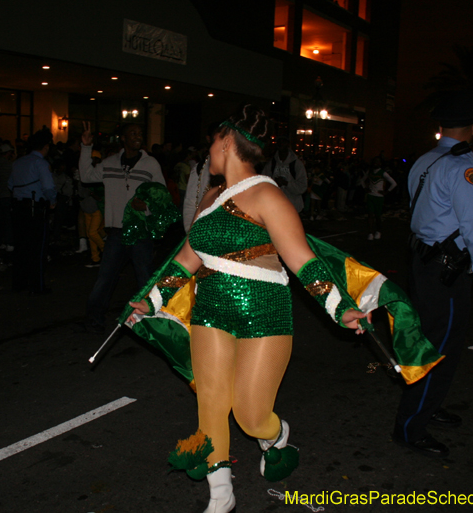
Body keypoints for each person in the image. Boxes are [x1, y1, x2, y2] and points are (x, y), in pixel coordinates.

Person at [128, 105, 368, 513]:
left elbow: (302, 260)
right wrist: (150, 300)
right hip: (211, 310)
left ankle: (275, 434)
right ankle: (221, 496)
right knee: (211, 404)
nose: (208, 154)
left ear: (225, 141)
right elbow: (187, 258)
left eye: (211, 145)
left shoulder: (268, 194)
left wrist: (339, 307)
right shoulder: (209, 196)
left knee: (250, 415)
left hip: (265, 312)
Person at [394, 90, 473, 458]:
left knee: (429, 339)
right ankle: (411, 426)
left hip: (423, 262)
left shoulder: (425, 160)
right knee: (440, 348)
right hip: (446, 271)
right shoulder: (462, 168)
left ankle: (428, 404)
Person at [78, 122, 165, 334]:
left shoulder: (150, 163)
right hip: (116, 232)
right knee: (105, 278)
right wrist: (86, 147)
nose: (138, 136)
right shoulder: (109, 163)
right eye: (133, 133)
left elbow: (162, 195)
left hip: (140, 231)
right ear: (123, 139)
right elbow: (86, 175)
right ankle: (94, 320)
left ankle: (153, 323)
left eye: (140, 132)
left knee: (145, 279)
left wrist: (147, 206)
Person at [8, 130, 56, 294]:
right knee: (38, 249)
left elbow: (10, 184)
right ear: (46, 146)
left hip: (18, 208)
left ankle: (19, 284)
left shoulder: (18, 162)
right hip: (35, 209)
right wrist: (53, 201)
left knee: (21, 248)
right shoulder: (41, 163)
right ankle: (37, 287)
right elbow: (48, 186)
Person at [262, 135, 308, 213]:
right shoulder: (271, 163)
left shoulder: (296, 164)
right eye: (279, 142)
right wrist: (274, 183)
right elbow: (263, 183)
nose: (281, 144)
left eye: (283, 142)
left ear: (288, 144)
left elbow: (302, 187)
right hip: (275, 206)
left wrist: (286, 183)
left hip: (293, 207)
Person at [360, 155, 397, 240]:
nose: (375, 163)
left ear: (380, 163)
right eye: (374, 161)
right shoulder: (369, 171)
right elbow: (362, 180)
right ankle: (370, 233)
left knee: (378, 216)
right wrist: (365, 188)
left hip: (379, 197)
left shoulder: (383, 173)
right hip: (370, 196)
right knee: (370, 215)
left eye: (377, 162)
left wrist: (386, 192)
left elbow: (394, 183)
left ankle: (378, 231)